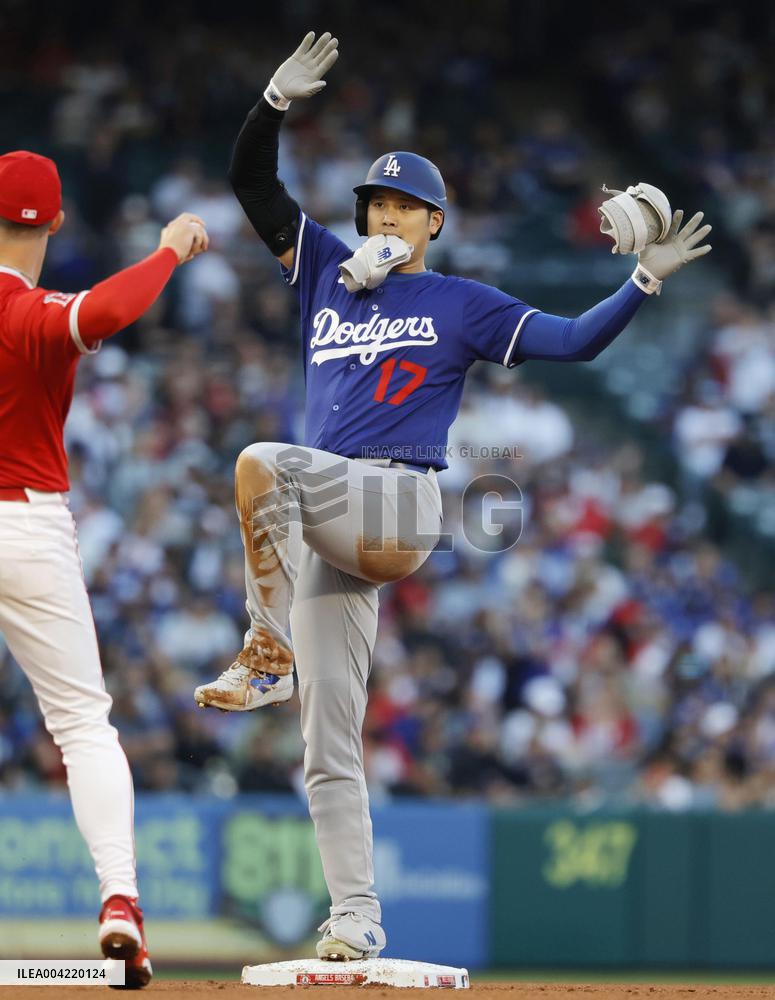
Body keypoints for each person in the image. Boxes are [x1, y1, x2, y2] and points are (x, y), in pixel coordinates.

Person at [194, 32, 711, 961]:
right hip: (335, 520)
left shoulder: (460, 302)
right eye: (374, 204)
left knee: (259, 461)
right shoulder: (322, 272)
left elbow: (571, 343)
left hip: (399, 504)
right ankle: (354, 921)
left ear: (433, 222)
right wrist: (271, 102)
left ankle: (263, 649)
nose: (384, 216)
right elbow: (251, 185)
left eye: (403, 206)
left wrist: (638, 282)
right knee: (327, 745)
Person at [0, 150, 208, 989]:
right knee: (84, 726)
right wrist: (168, 251)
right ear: (53, 224)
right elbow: (109, 310)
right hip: (28, 524)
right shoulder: (26, 313)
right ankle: (120, 898)